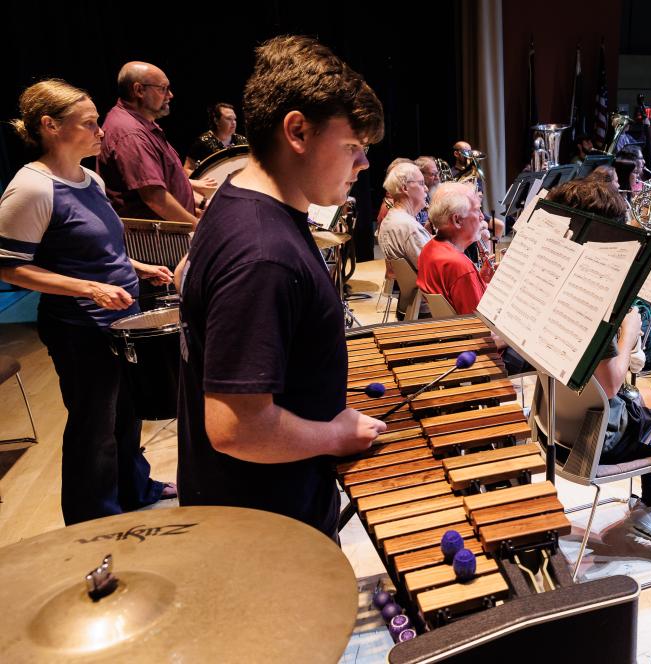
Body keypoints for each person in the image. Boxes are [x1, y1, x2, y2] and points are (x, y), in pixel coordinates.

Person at [176, 35, 387, 537]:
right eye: (353, 148)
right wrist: (334, 435)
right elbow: (237, 428)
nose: (363, 165)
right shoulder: (263, 255)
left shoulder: (234, 199)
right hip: (267, 526)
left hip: (247, 503)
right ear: (298, 131)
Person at [0, 80, 175, 525]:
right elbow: (9, 268)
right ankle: (94, 518)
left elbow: (102, 251)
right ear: (50, 126)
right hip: (80, 328)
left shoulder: (90, 178)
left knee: (128, 415)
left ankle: (135, 490)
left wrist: (138, 268)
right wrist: (89, 290)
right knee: (94, 428)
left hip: (122, 319)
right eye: (90, 122)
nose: (101, 130)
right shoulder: (32, 188)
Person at [544, 177, 651, 546]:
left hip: (558, 422)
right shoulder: (594, 296)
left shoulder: (551, 277)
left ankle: (649, 507)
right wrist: (628, 330)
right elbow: (613, 382)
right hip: (601, 435)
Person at [97, 62, 199, 226]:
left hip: (163, 237)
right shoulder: (130, 134)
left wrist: (200, 205)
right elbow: (155, 198)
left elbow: (169, 180)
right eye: (163, 88)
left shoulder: (141, 124)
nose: (170, 95)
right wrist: (200, 230)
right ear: (139, 90)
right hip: (151, 245)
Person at [416, 181, 488, 314]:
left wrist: (479, 280)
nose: (482, 216)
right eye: (477, 210)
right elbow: (479, 324)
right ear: (457, 220)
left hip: (449, 329)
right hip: (470, 332)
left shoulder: (429, 248)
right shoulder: (459, 266)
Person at [379, 162, 431, 269]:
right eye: (421, 183)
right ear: (405, 188)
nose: (426, 188)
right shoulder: (409, 227)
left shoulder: (392, 219)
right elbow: (433, 271)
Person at [183, 102, 248, 173]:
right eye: (229, 119)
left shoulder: (242, 141)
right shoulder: (203, 142)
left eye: (234, 119)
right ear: (216, 121)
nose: (233, 122)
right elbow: (186, 169)